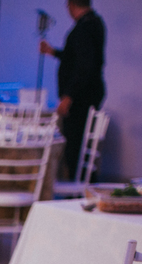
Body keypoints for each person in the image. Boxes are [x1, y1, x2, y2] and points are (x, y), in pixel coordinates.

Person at [40, 0, 106, 177]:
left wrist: (68, 96)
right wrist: (53, 52)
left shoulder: (85, 27)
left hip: (81, 99)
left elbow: (84, 66)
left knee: (75, 148)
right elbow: (77, 59)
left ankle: (79, 187)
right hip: (88, 94)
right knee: (79, 148)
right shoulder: (94, 23)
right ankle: (81, 184)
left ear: (71, 5)